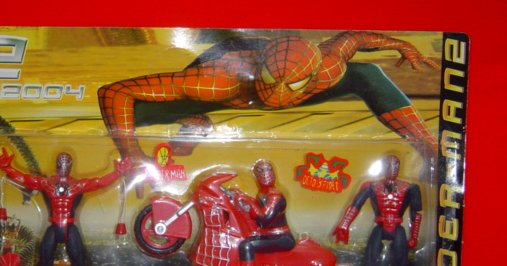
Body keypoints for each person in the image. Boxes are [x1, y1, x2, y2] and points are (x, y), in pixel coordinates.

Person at [98, 31, 439, 163]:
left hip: (284, 73)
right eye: (271, 81)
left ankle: (426, 143)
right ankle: (189, 120)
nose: (277, 95)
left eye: (289, 85)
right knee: (142, 114)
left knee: (368, 73)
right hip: (233, 88)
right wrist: (131, 155)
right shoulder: (216, 80)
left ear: (313, 73)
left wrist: (403, 45)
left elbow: (357, 37)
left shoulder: (330, 64)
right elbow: (115, 92)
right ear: (259, 70)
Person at [0, 148, 132, 266]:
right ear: (57, 165)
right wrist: (7, 168)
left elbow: (99, 182)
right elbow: (26, 179)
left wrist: (118, 172)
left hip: (70, 227)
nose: (63, 168)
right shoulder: (47, 183)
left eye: (66, 165)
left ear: (70, 166)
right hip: (54, 227)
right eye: (61, 164)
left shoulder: (77, 185)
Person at [333, 155, 422, 266]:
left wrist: (414, 236)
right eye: (389, 166)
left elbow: (416, 213)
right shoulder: (371, 185)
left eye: (396, 166)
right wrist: (344, 224)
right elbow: (356, 205)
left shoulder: (411, 187)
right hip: (380, 227)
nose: (392, 169)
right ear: (383, 167)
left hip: (397, 228)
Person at [232, 160, 295, 266]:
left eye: (268, 170)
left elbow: (264, 218)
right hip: (271, 235)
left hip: (281, 237)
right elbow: (259, 211)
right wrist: (240, 195)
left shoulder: (274, 194)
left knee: (246, 246)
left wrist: (247, 201)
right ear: (256, 175)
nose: (265, 174)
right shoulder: (264, 193)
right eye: (260, 171)